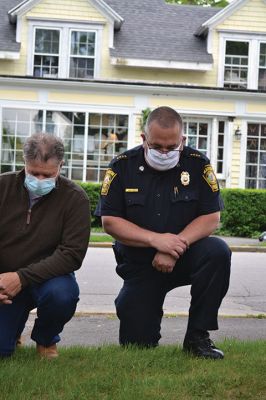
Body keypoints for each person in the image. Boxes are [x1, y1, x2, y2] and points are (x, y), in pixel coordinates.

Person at [96, 106, 231, 359]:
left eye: (172, 147)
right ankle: (138, 315)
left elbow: (211, 218)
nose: (165, 152)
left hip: (185, 256)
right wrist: (157, 241)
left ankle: (197, 337)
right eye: (157, 146)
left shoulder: (197, 164)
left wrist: (174, 247)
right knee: (137, 345)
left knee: (217, 252)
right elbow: (110, 222)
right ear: (144, 138)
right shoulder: (121, 167)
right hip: (140, 264)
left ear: (183, 140)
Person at [0, 133, 90, 359]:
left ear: (61, 165)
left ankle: (46, 339)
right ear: (24, 163)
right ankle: (13, 332)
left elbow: (72, 255)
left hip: (49, 279)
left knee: (63, 295)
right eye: (34, 173)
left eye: (47, 174)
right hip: (3, 281)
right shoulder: (2, 187)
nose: (39, 180)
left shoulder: (75, 198)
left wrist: (21, 278)